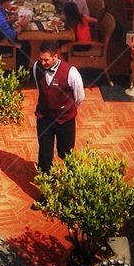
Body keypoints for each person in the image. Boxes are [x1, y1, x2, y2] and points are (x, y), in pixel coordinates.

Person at [32, 41, 85, 176]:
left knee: (66, 153)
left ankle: (70, 184)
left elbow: (79, 97)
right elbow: (41, 90)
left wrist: (65, 108)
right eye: (41, 59)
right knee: (44, 154)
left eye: (46, 60)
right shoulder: (36, 68)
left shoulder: (71, 73)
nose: (43, 63)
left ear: (55, 56)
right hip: (44, 118)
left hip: (65, 120)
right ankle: (45, 189)